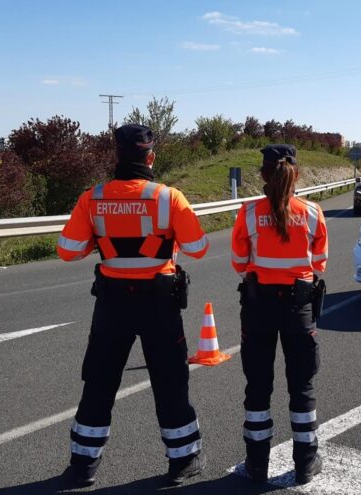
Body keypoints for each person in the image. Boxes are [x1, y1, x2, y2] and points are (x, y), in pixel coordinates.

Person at [56, 124, 209, 487]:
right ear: (150, 157)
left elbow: (67, 251)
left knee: (99, 381)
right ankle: (183, 460)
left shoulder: (91, 198)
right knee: (170, 382)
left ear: (117, 157)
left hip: (112, 304)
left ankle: (83, 465)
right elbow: (198, 248)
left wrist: (103, 239)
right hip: (159, 304)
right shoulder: (168, 197)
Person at [231, 144, 328, 484]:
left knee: (258, 386)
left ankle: (257, 464)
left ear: (263, 174)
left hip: (258, 306)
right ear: (296, 173)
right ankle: (305, 462)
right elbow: (319, 264)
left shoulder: (247, 213)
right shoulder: (313, 212)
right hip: (298, 306)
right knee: (301, 385)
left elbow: (239, 263)